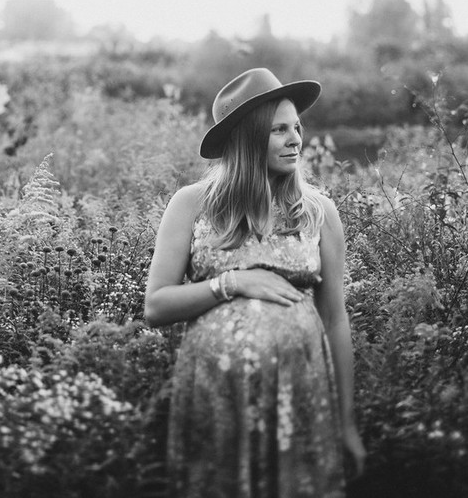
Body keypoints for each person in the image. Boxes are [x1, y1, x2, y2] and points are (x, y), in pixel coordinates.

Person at [145, 68, 366, 498]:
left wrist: (346, 423)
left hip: (301, 395)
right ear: (248, 137)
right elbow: (156, 306)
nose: (295, 139)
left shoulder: (319, 212)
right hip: (218, 397)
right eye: (279, 130)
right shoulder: (191, 205)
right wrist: (232, 283)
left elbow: (335, 319)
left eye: (297, 128)